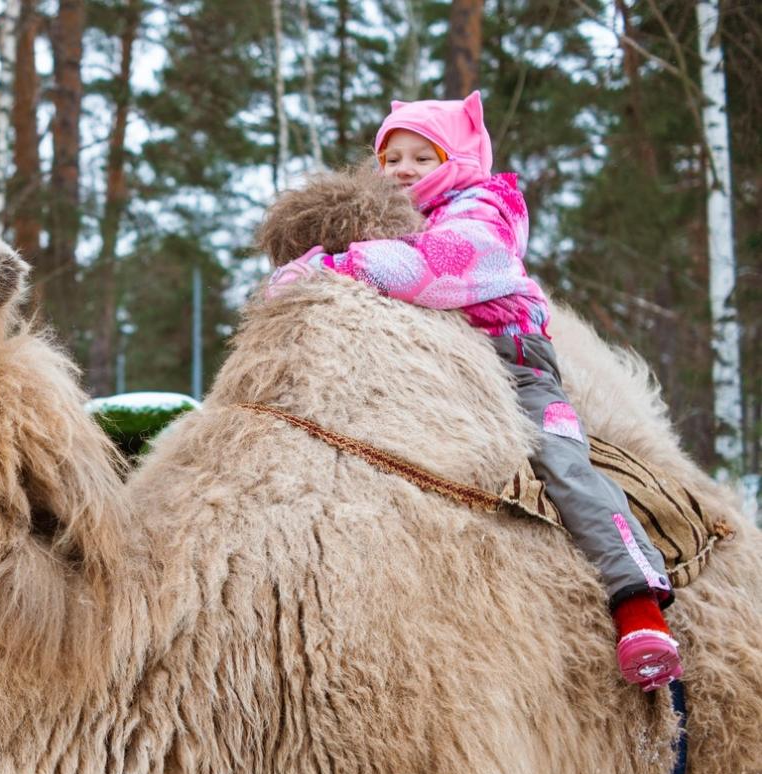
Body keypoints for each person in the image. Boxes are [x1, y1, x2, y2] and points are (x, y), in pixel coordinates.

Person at [269, 91, 682, 692]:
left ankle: (637, 605)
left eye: (422, 157)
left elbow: (450, 265)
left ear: (459, 159)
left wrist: (332, 267)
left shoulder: (486, 206)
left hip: (513, 362)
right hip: (431, 366)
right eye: (391, 158)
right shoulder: (388, 224)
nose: (403, 171)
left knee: (564, 464)